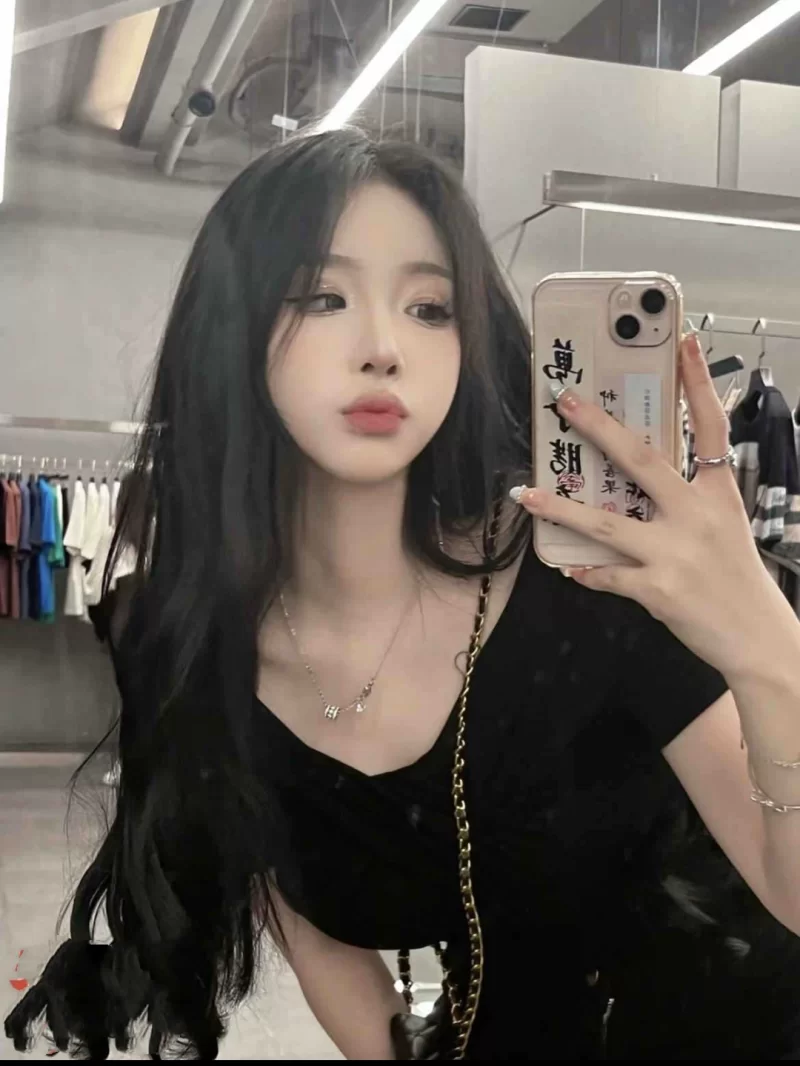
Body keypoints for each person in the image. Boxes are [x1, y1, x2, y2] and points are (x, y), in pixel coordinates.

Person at [6, 127, 800, 1061]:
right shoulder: (185, 643)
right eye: (322, 297)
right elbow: (316, 937)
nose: (384, 348)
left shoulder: (591, 581)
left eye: (430, 308)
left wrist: (765, 639)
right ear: (232, 327)